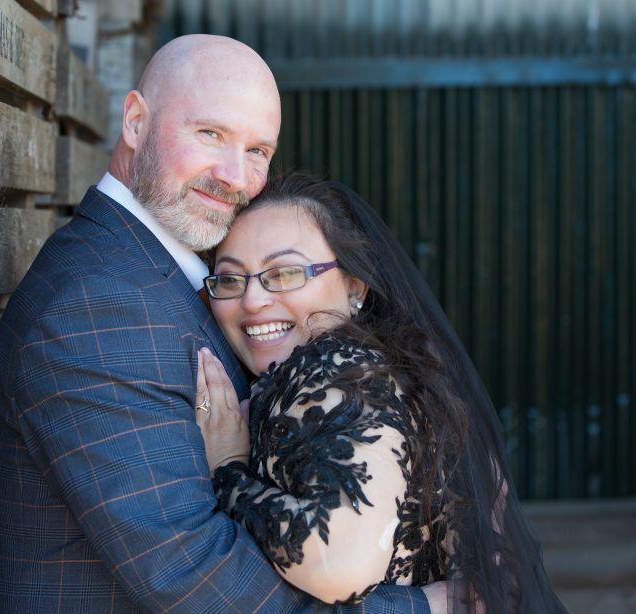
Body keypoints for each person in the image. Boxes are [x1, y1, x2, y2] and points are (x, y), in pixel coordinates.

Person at [0, 35, 438, 612]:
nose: (234, 176)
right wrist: (420, 606)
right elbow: (194, 575)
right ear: (134, 121)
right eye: (210, 134)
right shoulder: (97, 305)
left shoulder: (167, 270)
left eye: (258, 150)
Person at [195, 172, 568, 613]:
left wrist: (227, 468)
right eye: (231, 279)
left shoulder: (334, 371)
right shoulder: (401, 369)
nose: (253, 299)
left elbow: (339, 564)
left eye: (286, 272)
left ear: (355, 285)